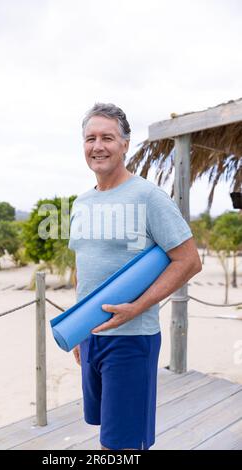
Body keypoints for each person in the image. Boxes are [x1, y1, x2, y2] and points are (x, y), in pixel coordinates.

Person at [68, 103, 202, 450]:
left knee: (123, 445)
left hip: (131, 339)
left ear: (125, 144)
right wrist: (78, 327)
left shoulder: (149, 197)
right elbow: (83, 264)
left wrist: (138, 306)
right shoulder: (81, 203)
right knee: (103, 432)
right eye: (90, 138)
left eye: (107, 138)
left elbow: (188, 261)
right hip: (90, 337)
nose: (98, 146)